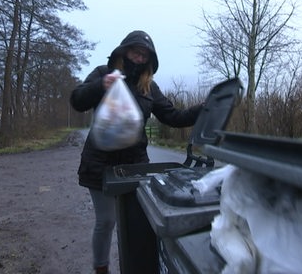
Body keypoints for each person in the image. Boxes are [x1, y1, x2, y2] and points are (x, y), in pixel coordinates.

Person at [69, 30, 203, 274]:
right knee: (106, 221)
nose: (139, 59)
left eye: (144, 56)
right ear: (124, 51)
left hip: (135, 166)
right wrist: (101, 85)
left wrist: (202, 109)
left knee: (138, 223)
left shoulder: (149, 88)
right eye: (135, 52)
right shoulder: (103, 73)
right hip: (100, 163)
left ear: (150, 61)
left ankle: (137, 266)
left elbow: (173, 116)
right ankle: (101, 268)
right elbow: (77, 100)